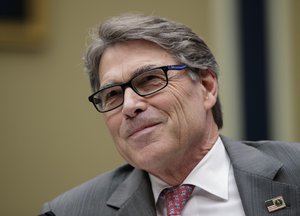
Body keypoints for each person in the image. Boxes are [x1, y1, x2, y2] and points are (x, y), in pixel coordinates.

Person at [40, 13, 300, 216]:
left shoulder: (294, 173)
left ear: (207, 87)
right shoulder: (68, 211)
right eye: (113, 95)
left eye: (150, 79)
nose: (129, 106)